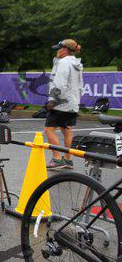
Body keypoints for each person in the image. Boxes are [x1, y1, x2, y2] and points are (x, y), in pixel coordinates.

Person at [45, 39, 83, 170]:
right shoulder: (76, 63)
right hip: (72, 102)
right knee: (67, 129)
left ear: (65, 50)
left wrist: (53, 99)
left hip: (61, 102)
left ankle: (57, 159)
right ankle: (68, 160)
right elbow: (80, 85)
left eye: (59, 48)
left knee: (49, 130)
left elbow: (59, 82)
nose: (57, 51)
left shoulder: (64, 62)